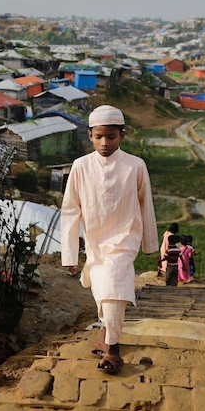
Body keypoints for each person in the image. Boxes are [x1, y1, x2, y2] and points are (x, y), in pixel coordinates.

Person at [61, 105, 158, 374]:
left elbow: (145, 204)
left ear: (122, 136)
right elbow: (70, 210)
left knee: (114, 289)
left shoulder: (136, 166)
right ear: (90, 135)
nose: (105, 143)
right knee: (102, 291)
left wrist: (150, 244)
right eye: (99, 137)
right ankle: (107, 332)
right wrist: (69, 254)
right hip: (95, 242)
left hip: (125, 239)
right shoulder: (80, 167)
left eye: (111, 137)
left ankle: (113, 348)